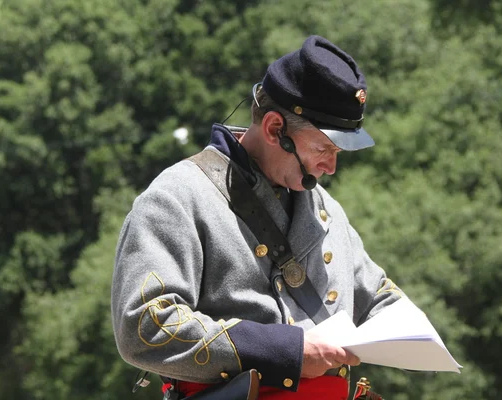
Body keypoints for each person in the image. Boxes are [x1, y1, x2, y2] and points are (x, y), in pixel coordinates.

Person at [111, 35, 410, 400]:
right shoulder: (176, 197)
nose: (331, 167)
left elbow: (377, 295)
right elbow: (142, 326)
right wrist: (288, 350)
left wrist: (411, 331)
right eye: (323, 148)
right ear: (273, 129)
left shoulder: (326, 208)